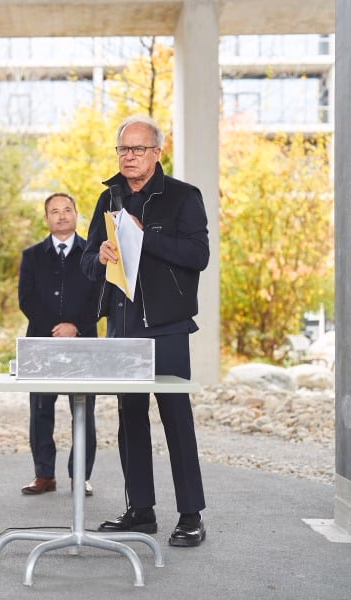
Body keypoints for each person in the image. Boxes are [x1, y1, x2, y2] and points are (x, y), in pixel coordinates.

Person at [81, 115, 209, 547]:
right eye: (123, 149)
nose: (129, 157)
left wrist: (144, 237)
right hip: (123, 328)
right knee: (129, 418)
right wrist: (97, 255)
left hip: (167, 328)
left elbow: (198, 255)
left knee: (176, 419)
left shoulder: (183, 197)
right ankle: (141, 511)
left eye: (137, 149)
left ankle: (191, 515)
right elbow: (85, 261)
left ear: (157, 152)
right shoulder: (108, 198)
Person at [18, 193, 99, 496]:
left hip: (83, 340)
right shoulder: (32, 256)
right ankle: (44, 475)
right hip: (42, 341)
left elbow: (99, 297)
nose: (62, 216)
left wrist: (74, 326)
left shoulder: (93, 254)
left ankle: (80, 475)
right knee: (40, 409)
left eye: (67, 210)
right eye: (55, 211)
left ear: (77, 214)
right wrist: (55, 329)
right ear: (46, 219)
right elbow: (26, 299)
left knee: (84, 410)